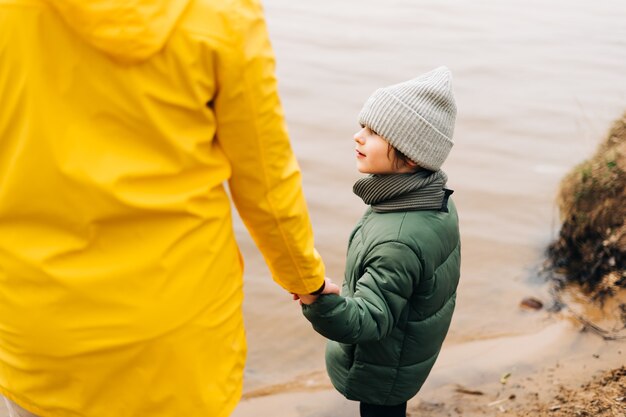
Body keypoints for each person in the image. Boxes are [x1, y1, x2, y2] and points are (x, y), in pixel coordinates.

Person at [0, 1, 338, 416]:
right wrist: (306, 280)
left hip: (41, 329)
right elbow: (266, 183)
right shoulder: (222, 13)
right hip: (178, 329)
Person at [300, 67, 461, 417]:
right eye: (363, 126)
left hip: (382, 367)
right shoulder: (434, 200)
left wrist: (318, 299)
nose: (358, 137)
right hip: (403, 354)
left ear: (412, 153)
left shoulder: (398, 240)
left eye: (373, 132)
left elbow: (367, 322)